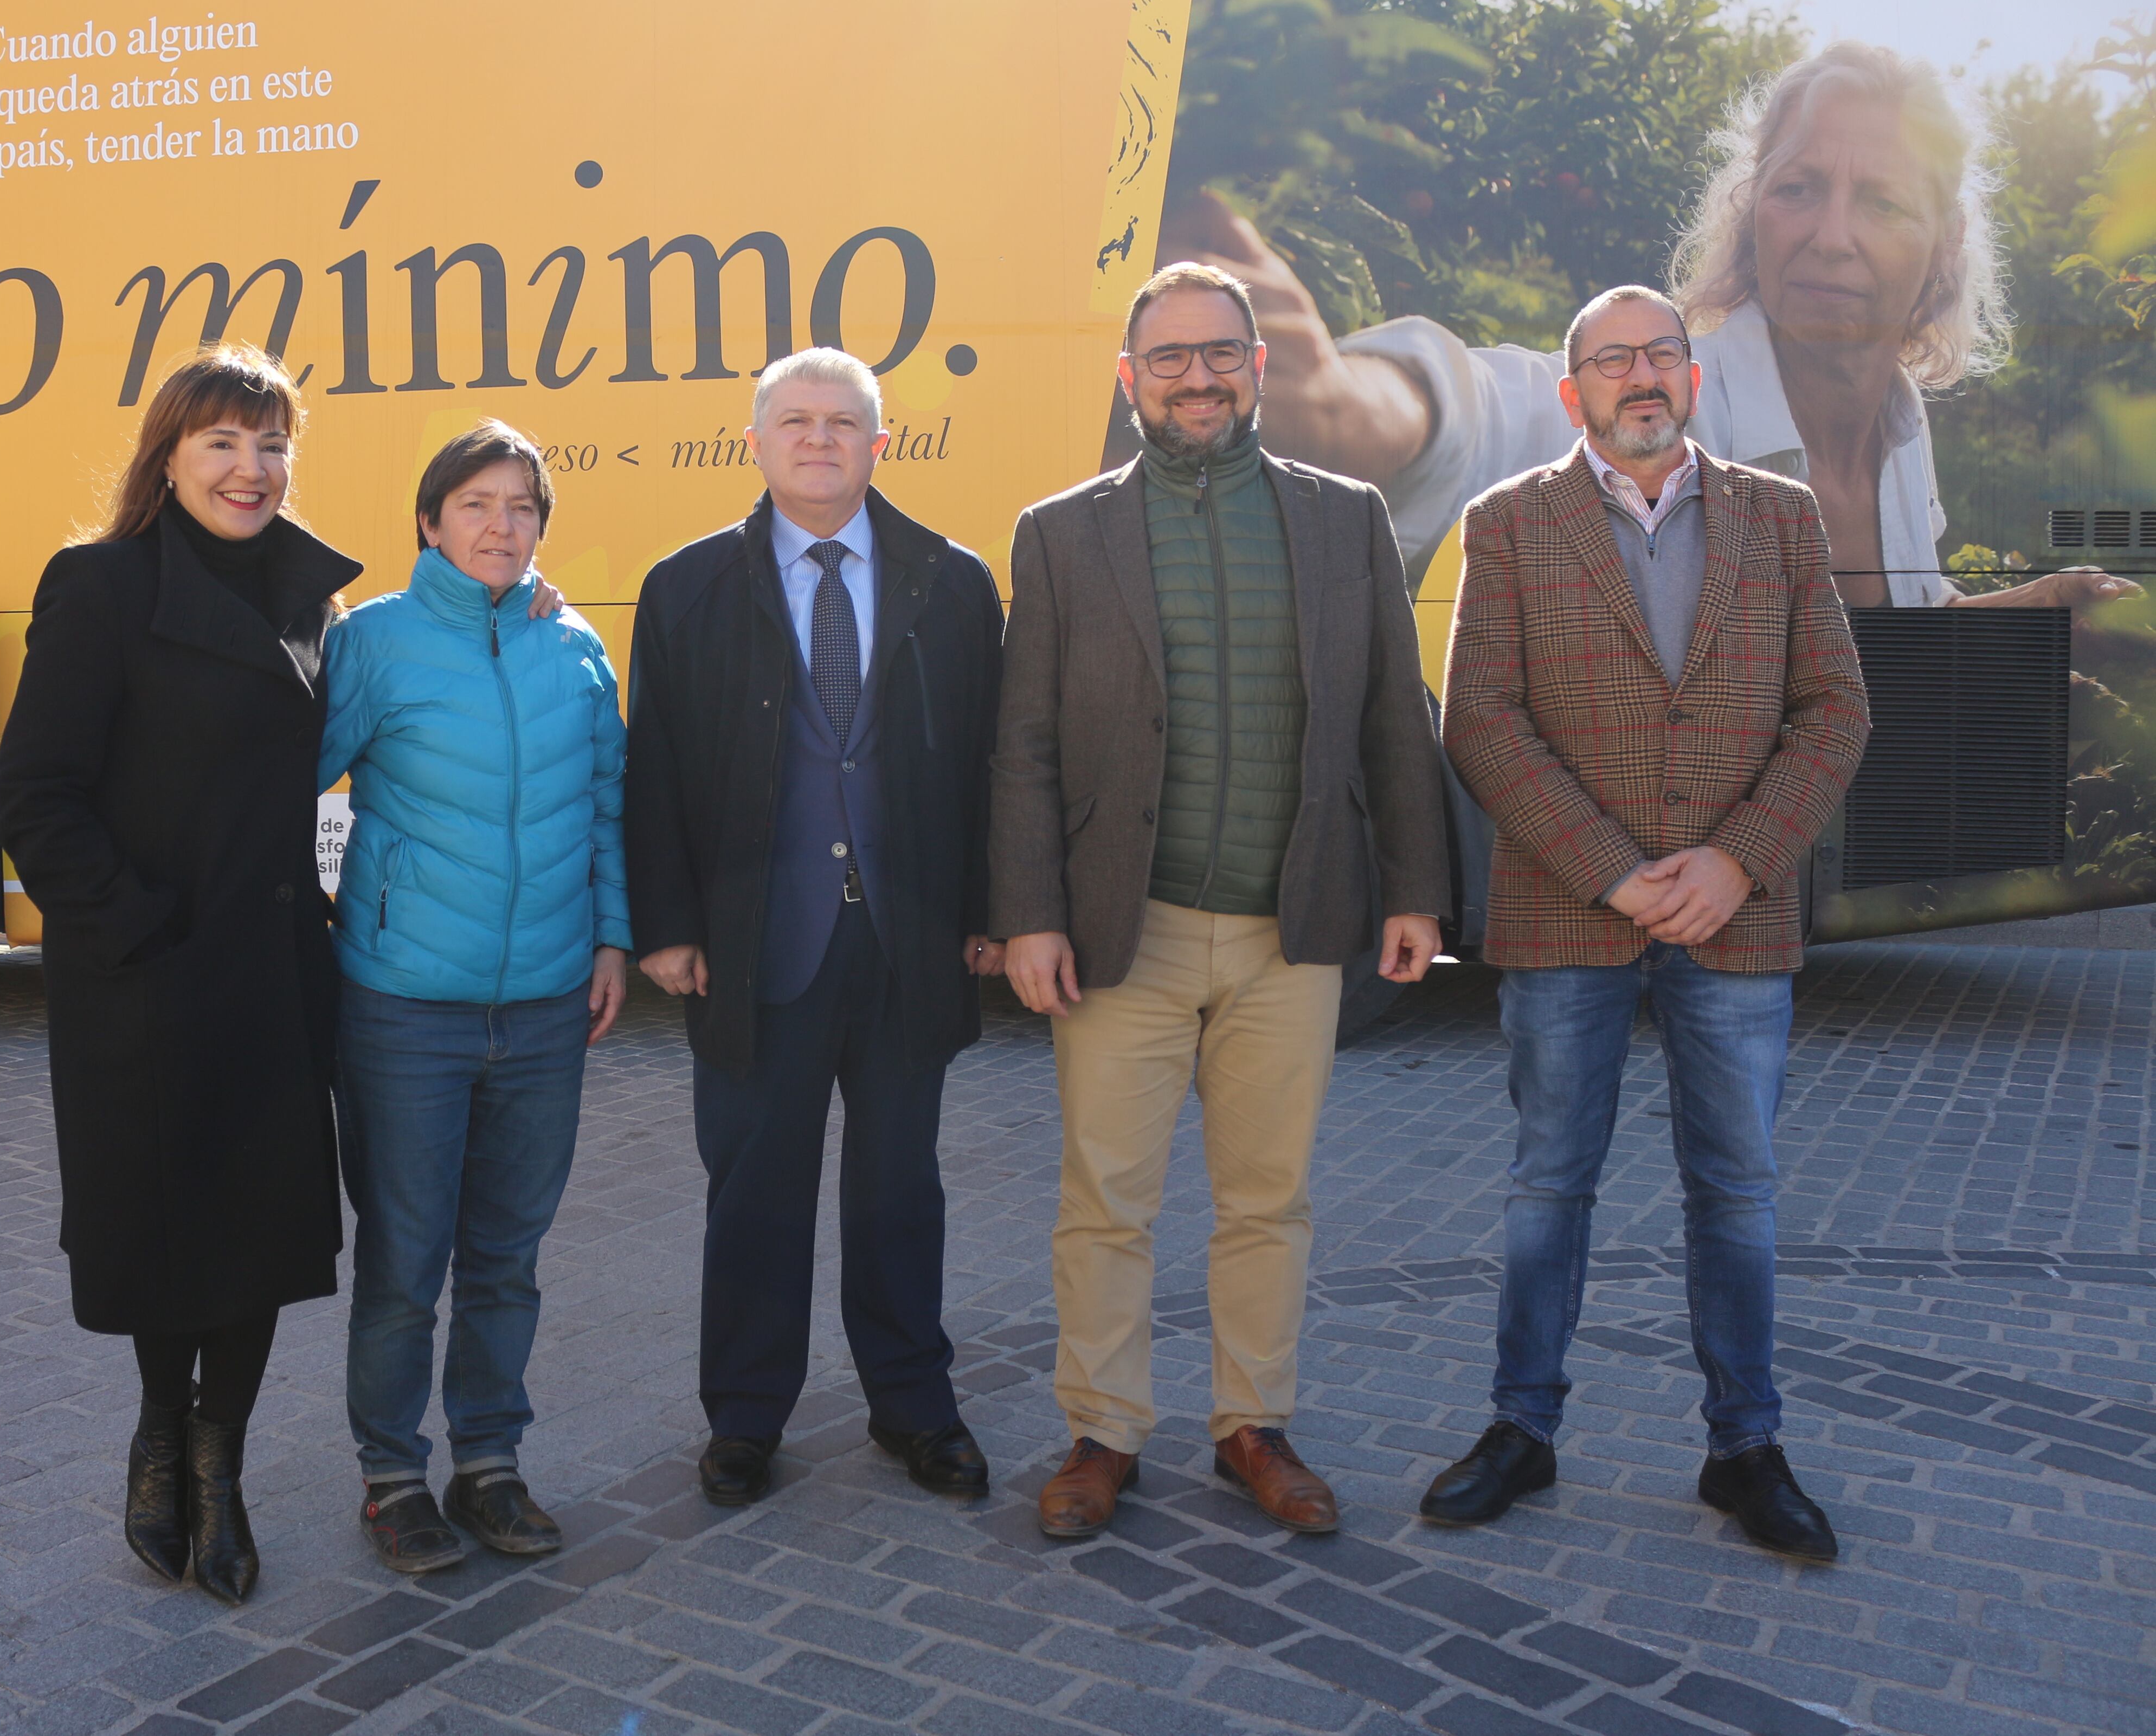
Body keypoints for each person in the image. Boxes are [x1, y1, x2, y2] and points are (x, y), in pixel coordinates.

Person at [993, 263, 1452, 1540]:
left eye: (1219, 353)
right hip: (1116, 933)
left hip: (1289, 926)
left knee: (1267, 1196)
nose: (1196, 377)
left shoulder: (1344, 516)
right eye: (1168, 357)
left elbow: (1390, 722)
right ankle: (1102, 1429)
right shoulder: (1060, 531)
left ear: (1257, 363)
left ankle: (1253, 1422)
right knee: (1107, 1198)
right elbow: (1023, 740)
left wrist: (1414, 888)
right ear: (1128, 376)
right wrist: (1028, 912)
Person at [1425, 285, 1871, 1559]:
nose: (1641, 375)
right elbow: (1481, 720)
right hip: (1570, 916)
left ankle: (1745, 1447)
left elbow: (1835, 710)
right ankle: (1521, 1427)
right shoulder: (1506, 523)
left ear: (1692, 377)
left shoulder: (1781, 522)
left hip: (1736, 920)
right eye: (1611, 359)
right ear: (1570, 394)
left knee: (1734, 1191)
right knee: (1546, 1185)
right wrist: (1617, 873)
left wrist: (1734, 861)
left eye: (1661, 353)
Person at [1161, 42, 2139, 611]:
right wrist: (1352, 403)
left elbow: (1883, 636)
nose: (1832, 236)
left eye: (1881, 203)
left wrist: (2014, 615)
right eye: (1800, 188)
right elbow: (1492, 410)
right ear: (1755, 216)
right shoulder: (1660, 397)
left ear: (1945, 242)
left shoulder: (1900, 433)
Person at [0, 345, 359, 1605]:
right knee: (165, 1229)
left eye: (271, 447)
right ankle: (161, 1427)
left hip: (270, 975)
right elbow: (34, 793)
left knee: (258, 1232)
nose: (251, 470)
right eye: (223, 444)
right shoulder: (99, 585)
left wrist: (522, 602)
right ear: (169, 454)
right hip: (142, 979)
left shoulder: (317, 599)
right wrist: (133, 928)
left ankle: (225, 1458)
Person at [626, 347, 1006, 1509]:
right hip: (754, 947)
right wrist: (668, 925)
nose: (819, 439)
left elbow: (995, 762)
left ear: (879, 443)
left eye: (844, 422)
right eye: (794, 420)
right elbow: (653, 773)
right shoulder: (685, 585)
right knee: (753, 1192)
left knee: (900, 1189)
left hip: (908, 943)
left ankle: (913, 1403)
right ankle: (745, 1416)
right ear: (755, 440)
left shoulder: (952, 580)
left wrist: (992, 915)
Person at [318, 421, 630, 1574]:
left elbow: (606, 805)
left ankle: (489, 1461)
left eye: (522, 508)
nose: (503, 527)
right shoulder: (377, 645)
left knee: (507, 1255)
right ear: (429, 522)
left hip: (548, 1008)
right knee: (404, 1258)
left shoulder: (575, 648)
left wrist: (611, 938)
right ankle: (392, 1475)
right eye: (477, 506)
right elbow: (273, 777)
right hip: (404, 1010)